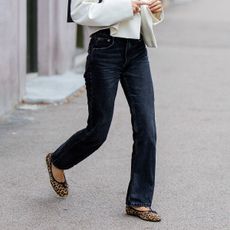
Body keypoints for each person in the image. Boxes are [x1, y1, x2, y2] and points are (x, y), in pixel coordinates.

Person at [46, 0, 164, 222]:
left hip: (137, 50)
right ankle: (58, 160)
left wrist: (155, 10)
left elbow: (142, 10)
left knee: (147, 127)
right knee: (98, 131)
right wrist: (128, 7)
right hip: (104, 50)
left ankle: (139, 201)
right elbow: (80, 12)